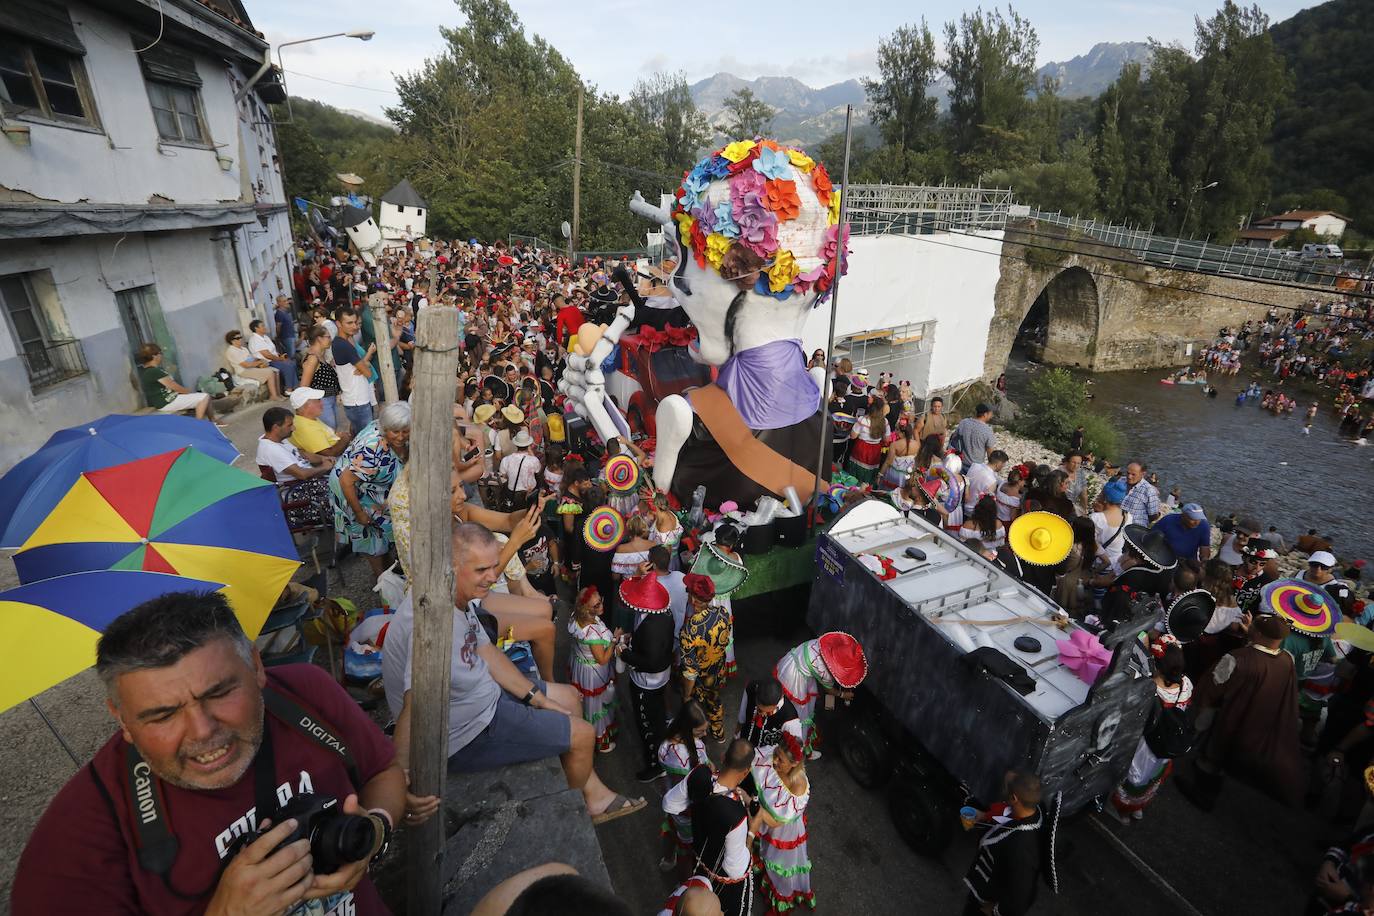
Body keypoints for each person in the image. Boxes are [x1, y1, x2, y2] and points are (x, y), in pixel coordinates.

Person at [12, 590, 405, 915]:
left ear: (255, 665)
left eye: (219, 693)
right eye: (163, 715)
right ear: (121, 718)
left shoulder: (305, 695)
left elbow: (382, 770)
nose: (202, 731)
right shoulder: (76, 842)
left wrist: (376, 829)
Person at [388, 522, 646, 825]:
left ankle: (591, 792)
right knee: (584, 734)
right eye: (481, 570)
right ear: (451, 566)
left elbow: (487, 652)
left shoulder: (454, 596)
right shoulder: (434, 624)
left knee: (569, 697)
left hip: (481, 697)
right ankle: (573, 815)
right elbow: (413, 707)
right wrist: (399, 778)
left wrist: (537, 698)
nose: (491, 577)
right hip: (468, 731)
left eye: (493, 567)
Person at [1178, 610, 1303, 810]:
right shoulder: (1287, 659)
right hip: (1259, 718)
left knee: (1213, 753)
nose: (1249, 627)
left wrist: (1201, 707)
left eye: (1254, 627)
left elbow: (1214, 685)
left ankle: (1203, 794)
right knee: (1227, 754)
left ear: (1260, 634)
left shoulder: (1237, 658)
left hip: (1229, 716)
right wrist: (1250, 636)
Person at [662, 740, 756, 916]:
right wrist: (752, 832)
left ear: (723, 757)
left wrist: (700, 815)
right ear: (746, 772)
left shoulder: (698, 775)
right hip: (721, 879)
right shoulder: (736, 816)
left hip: (700, 861)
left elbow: (669, 804)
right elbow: (735, 869)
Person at [1110, 635, 1193, 824]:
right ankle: (1138, 808)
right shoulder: (1186, 684)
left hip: (1144, 742)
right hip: (1167, 740)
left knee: (1134, 775)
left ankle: (1123, 810)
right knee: (1151, 775)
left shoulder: (1148, 688)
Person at [328, 401, 410, 579]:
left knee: (385, 531)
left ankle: (390, 571)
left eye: (405, 431)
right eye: (395, 432)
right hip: (350, 490)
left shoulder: (393, 432)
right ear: (385, 428)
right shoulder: (372, 449)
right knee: (370, 536)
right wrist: (359, 513)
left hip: (370, 484)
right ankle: (382, 581)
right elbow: (346, 480)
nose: (401, 436)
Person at [617, 570, 677, 783]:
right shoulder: (663, 614)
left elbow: (651, 662)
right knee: (657, 713)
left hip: (648, 683)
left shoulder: (652, 626)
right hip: (660, 678)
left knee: (646, 724)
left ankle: (655, 764)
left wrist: (625, 653)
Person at [751, 719, 813, 915]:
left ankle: (780, 905)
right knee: (763, 853)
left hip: (783, 833)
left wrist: (757, 814)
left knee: (780, 868)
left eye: (780, 760)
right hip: (765, 821)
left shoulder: (798, 786)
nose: (774, 761)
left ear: (795, 763)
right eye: (776, 755)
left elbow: (778, 821)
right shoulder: (772, 756)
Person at [962, 771, 1044, 916]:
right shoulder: (1031, 809)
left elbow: (1020, 898)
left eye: (1008, 792)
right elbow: (1005, 812)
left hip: (987, 904)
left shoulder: (1022, 848)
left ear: (1014, 798)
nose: (1004, 795)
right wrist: (983, 816)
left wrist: (994, 911)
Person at [774, 632, 867, 759]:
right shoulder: (825, 672)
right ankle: (801, 749)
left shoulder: (822, 644)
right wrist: (843, 695)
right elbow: (830, 691)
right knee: (802, 716)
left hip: (791, 660)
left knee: (788, 702)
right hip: (795, 677)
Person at [257, 406, 333, 528]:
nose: (293, 428)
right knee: (345, 492)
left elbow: (302, 453)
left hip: (308, 484)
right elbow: (301, 474)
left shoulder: (279, 439)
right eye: (289, 425)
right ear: (276, 427)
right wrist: (324, 467)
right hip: (298, 493)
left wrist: (323, 458)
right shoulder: (270, 449)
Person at [658, 702, 712, 872]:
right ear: (687, 728)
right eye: (700, 731)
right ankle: (684, 880)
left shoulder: (672, 732)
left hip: (672, 800)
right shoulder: (683, 757)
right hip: (685, 808)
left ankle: (667, 858)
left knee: (671, 827)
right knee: (686, 847)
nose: (705, 734)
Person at [679, 573, 733, 742]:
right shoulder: (722, 612)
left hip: (700, 680)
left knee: (696, 709)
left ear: (694, 600)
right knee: (714, 700)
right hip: (717, 671)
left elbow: (690, 671)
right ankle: (718, 733)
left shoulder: (690, 629)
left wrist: (687, 695)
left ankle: (697, 738)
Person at [567, 586, 617, 753]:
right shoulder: (593, 636)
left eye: (600, 601)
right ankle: (600, 742)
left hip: (580, 667)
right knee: (596, 706)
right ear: (586, 608)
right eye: (596, 605)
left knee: (586, 704)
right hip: (593, 673)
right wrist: (613, 642)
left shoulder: (575, 618)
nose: (601, 606)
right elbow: (602, 659)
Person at [136, 343, 214, 420]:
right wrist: (188, 392)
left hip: (169, 399)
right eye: (160, 353)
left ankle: (212, 420)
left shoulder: (150, 370)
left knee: (203, 397)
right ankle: (199, 424)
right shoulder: (153, 371)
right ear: (154, 356)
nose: (161, 356)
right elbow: (173, 386)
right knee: (204, 397)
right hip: (167, 402)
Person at [330, 310, 378, 434]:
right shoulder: (343, 345)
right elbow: (368, 373)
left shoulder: (342, 342)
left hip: (355, 398)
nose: (354, 326)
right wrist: (363, 366)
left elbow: (363, 368)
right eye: (349, 323)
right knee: (365, 438)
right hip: (357, 400)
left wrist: (362, 366)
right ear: (339, 324)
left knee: (359, 435)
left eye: (355, 323)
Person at [736, 678, 798, 750]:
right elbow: (742, 718)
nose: (762, 714)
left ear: (779, 699)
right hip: (742, 745)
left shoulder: (790, 719)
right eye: (759, 710)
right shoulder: (751, 688)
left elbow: (792, 750)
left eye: (769, 712)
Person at [299, 325, 342, 430]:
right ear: (319, 338)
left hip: (329, 398)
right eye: (328, 337)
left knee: (332, 429)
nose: (330, 339)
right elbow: (304, 385)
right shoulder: (313, 358)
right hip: (322, 400)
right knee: (330, 430)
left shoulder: (319, 355)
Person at [289, 387, 351, 458]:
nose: (322, 403)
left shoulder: (306, 419)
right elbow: (330, 454)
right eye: (317, 400)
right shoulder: (307, 428)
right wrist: (345, 439)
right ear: (306, 406)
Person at [223, 330, 283, 400]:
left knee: (276, 371)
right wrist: (259, 363)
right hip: (243, 371)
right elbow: (245, 365)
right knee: (270, 373)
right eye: (237, 338)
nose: (240, 339)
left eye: (240, 337)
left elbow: (251, 359)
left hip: (251, 368)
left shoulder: (244, 349)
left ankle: (278, 394)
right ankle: (273, 396)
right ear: (232, 341)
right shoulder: (231, 351)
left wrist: (261, 360)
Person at [1090, 478, 1132, 572]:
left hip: (1098, 563)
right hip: (1116, 564)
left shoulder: (1096, 518)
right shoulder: (1128, 516)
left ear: (1105, 499)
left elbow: (1091, 543)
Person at [248, 318, 300, 391]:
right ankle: (289, 389)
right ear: (256, 328)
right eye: (262, 326)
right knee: (287, 365)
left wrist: (280, 356)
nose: (265, 327)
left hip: (274, 359)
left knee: (292, 363)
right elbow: (267, 355)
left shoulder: (265, 337)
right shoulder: (255, 339)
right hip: (267, 362)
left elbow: (273, 351)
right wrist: (281, 359)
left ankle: (296, 387)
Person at [498, 428, 542, 511]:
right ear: (528, 444)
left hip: (513, 492)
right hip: (530, 492)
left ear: (516, 444)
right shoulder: (533, 460)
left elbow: (503, 476)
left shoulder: (506, 460)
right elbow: (538, 470)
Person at [952, 403, 997, 467]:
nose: (992, 415)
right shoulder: (987, 430)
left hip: (959, 463)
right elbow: (990, 452)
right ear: (985, 414)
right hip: (975, 467)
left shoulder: (964, 422)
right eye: (991, 413)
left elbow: (954, 438)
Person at [1120, 461, 1162, 525]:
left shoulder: (1149, 490)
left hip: (1133, 527)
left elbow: (1153, 515)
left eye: (1133, 474)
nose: (1129, 477)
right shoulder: (1121, 481)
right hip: (1115, 522)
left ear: (1143, 474)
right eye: (1128, 473)